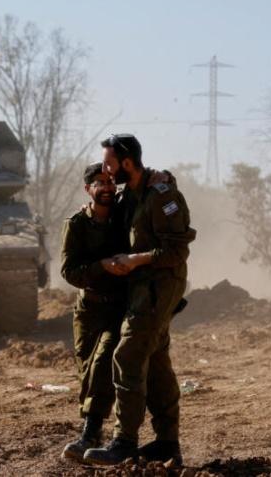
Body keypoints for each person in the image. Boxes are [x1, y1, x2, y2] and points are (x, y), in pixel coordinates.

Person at [84, 134, 196, 466]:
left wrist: (136, 260)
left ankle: (124, 442)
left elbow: (176, 250)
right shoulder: (131, 195)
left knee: (128, 355)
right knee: (157, 360)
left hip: (159, 286)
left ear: (127, 163)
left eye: (109, 163)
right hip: (142, 289)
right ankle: (166, 444)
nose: (105, 170)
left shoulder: (160, 196)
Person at [58, 163, 128, 462]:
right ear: (88, 189)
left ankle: (92, 431)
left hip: (118, 306)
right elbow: (69, 272)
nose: (107, 187)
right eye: (99, 182)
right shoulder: (76, 224)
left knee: (102, 363)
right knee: (88, 369)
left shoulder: (125, 217)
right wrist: (101, 267)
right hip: (88, 308)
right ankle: (93, 429)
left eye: (111, 182)